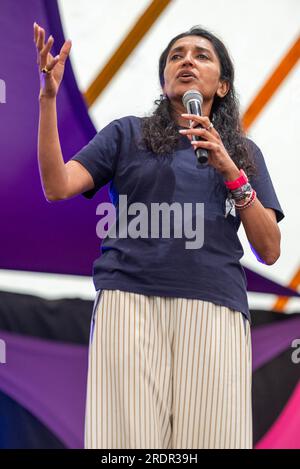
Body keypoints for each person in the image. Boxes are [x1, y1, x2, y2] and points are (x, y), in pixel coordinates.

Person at [34, 22, 284, 449]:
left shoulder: (242, 151)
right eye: (176, 55)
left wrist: (230, 171)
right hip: (128, 301)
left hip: (215, 307)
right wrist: (48, 98)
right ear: (164, 78)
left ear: (222, 86)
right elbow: (57, 186)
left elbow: (269, 250)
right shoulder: (126, 134)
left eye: (202, 55)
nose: (187, 59)